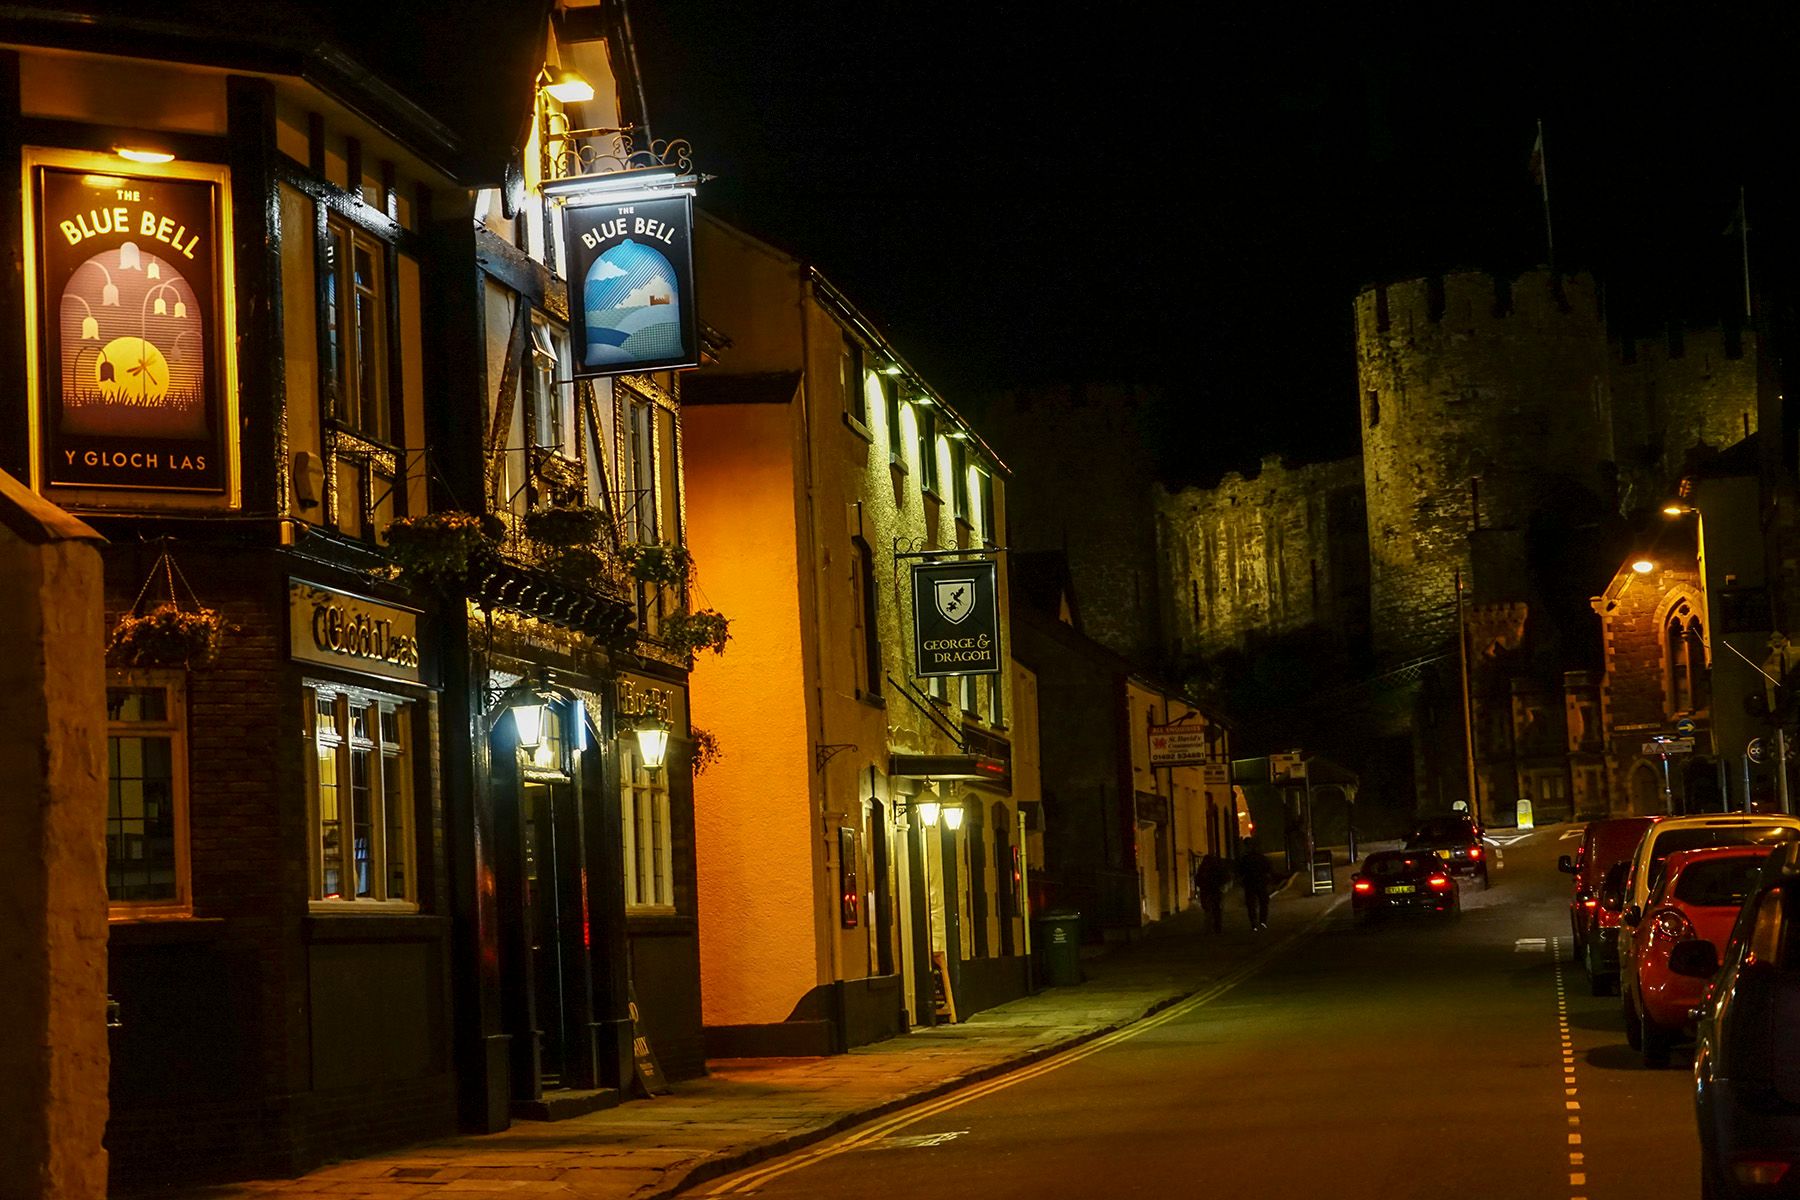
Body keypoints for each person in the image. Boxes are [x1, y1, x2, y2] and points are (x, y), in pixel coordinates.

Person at [1236, 839, 1273, 931]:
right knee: (1263, 902)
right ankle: (1262, 921)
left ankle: (1254, 922)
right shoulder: (1262, 858)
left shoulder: (1245, 859)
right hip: (1261, 883)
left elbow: (1240, 871)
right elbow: (1269, 870)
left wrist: (1242, 880)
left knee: (1251, 904)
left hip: (1249, 883)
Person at [1193, 852, 1228, 933]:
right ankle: (1217, 927)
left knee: (1208, 910)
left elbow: (1198, 880)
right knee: (1217, 910)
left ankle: (1208, 927)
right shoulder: (1217, 868)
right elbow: (1224, 877)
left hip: (1206, 891)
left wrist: (1202, 886)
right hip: (1215, 891)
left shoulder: (1202, 869)